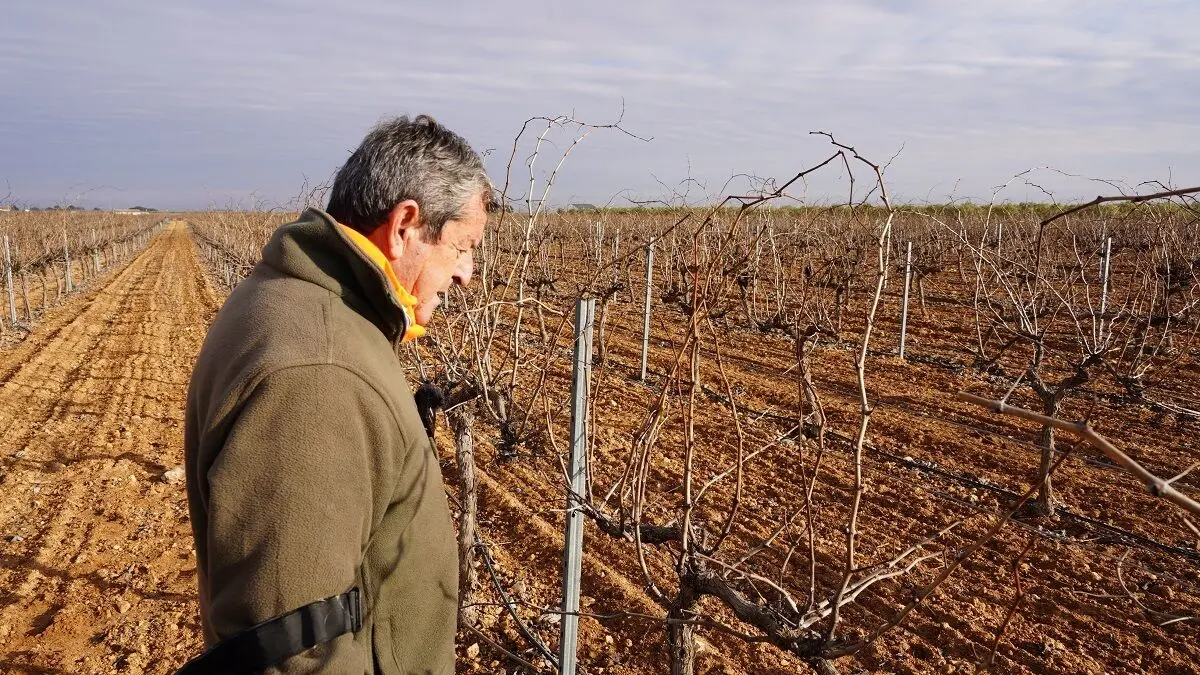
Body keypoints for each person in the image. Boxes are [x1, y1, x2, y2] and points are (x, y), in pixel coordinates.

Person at [181, 115, 493, 674]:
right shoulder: (320, 373)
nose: (468, 274)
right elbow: (292, 647)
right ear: (405, 226)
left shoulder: (306, 303)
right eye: (463, 247)